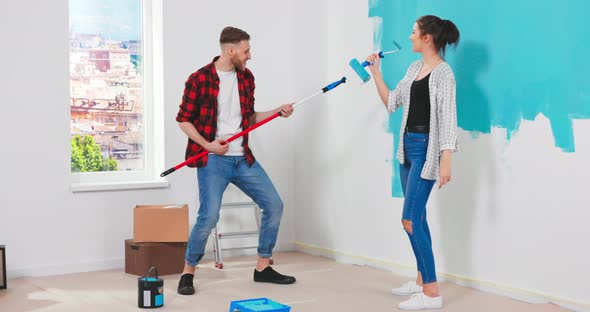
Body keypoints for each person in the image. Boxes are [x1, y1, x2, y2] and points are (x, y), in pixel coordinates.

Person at [175, 26, 296, 295]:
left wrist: (277, 112)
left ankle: (263, 267)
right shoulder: (199, 79)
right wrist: (207, 145)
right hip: (213, 160)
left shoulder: (246, 78)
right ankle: (188, 272)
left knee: (274, 205)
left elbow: (249, 118)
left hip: (243, 159)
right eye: (246, 50)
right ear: (231, 50)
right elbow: (183, 119)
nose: (249, 56)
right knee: (208, 216)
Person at [366, 15, 460, 310]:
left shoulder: (444, 74)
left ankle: (432, 294)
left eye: (413, 32)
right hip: (407, 149)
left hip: (427, 150)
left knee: (408, 220)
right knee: (416, 218)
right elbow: (392, 102)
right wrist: (376, 75)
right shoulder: (414, 67)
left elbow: (448, 117)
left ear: (427, 37)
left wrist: (446, 158)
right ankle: (421, 280)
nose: (410, 37)